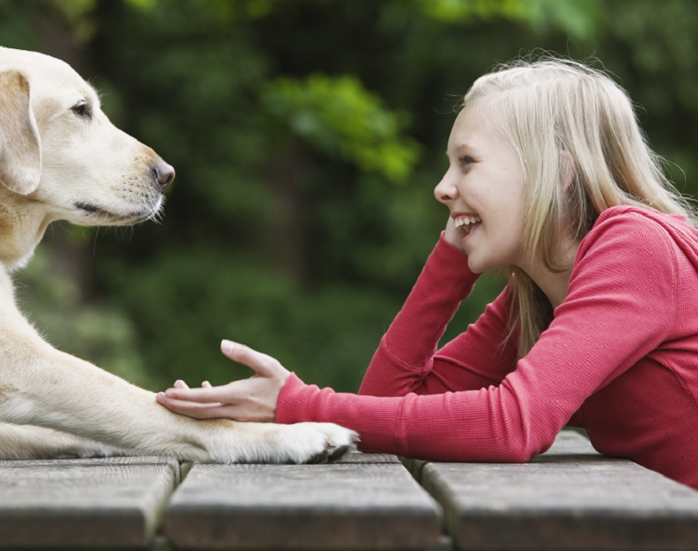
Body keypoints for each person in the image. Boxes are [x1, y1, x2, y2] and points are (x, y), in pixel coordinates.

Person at [156, 57, 698, 490]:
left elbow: (513, 424)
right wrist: (450, 261)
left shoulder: (636, 245)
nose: (442, 186)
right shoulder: (536, 295)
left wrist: (294, 405)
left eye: (468, 162)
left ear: (555, 171)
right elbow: (389, 403)